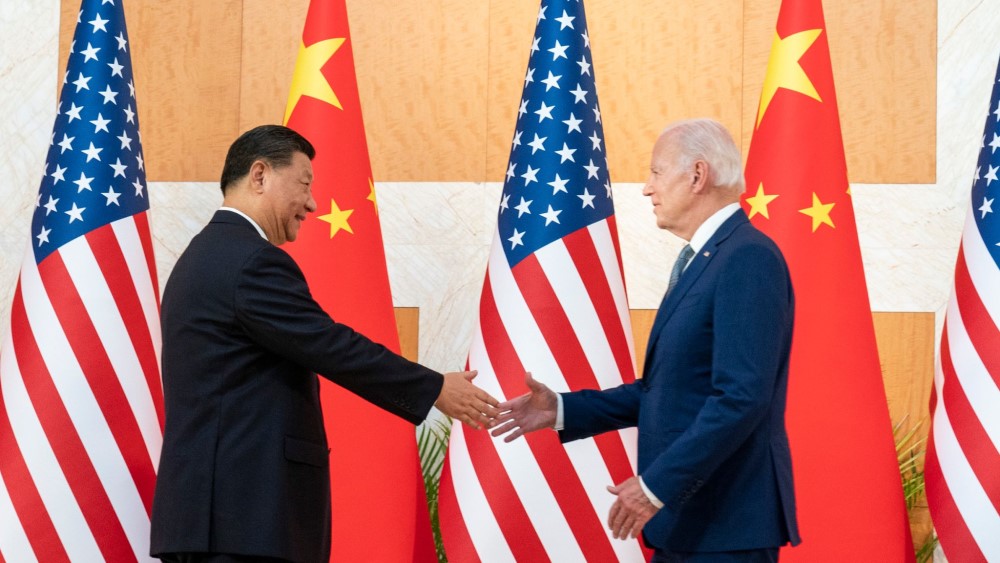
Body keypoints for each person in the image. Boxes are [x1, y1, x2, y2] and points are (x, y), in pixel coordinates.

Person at [150, 125, 498, 563]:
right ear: (260, 175)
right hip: (242, 522)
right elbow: (331, 345)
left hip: (213, 519)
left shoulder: (200, 256)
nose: (313, 204)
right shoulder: (251, 261)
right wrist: (434, 388)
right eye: (304, 184)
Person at [491, 119, 800, 562]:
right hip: (687, 525)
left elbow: (741, 398)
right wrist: (561, 409)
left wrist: (656, 486)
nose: (646, 188)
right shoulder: (707, 258)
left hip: (725, 527)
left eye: (656, 172)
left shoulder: (746, 257)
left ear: (697, 175)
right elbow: (668, 390)